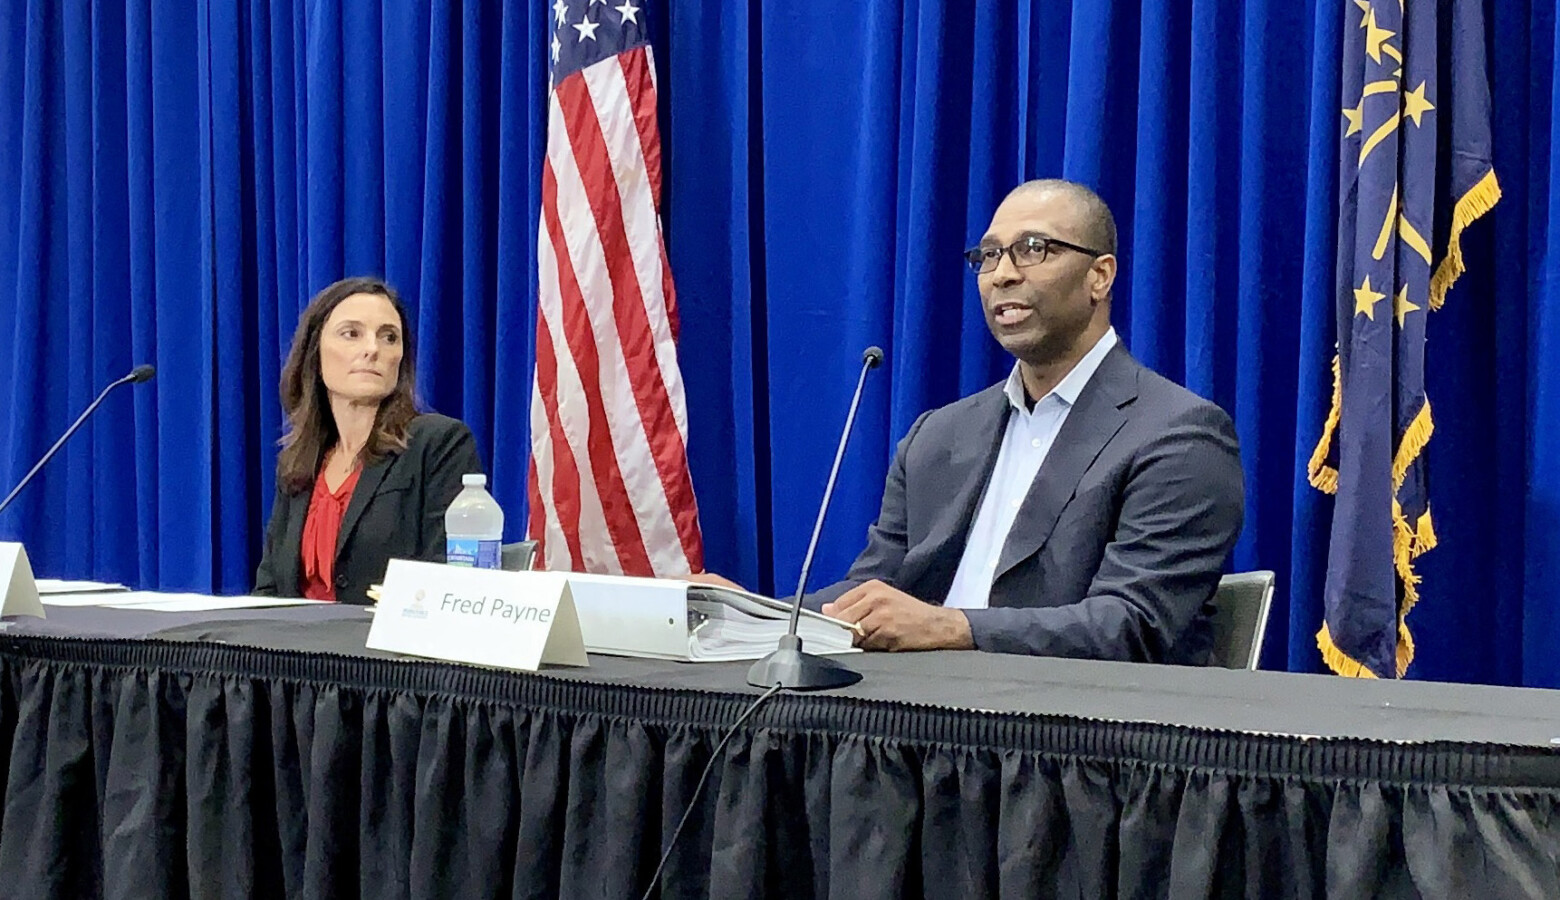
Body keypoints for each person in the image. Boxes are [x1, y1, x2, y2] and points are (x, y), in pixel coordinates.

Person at [695, 179, 1244, 664]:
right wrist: (747, 615)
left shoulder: (1178, 434)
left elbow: (1131, 626)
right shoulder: (939, 435)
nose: (1001, 275)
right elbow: (870, 590)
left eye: (1033, 250)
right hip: (926, 729)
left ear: (1099, 276)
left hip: (1076, 746)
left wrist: (949, 626)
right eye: (988, 255)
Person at [253, 276, 484, 605]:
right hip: (298, 650)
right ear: (315, 353)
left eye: (389, 337)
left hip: (386, 649)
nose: (373, 349)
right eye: (352, 334)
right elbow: (269, 589)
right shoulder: (297, 464)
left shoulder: (438, 444)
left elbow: (447, 580)